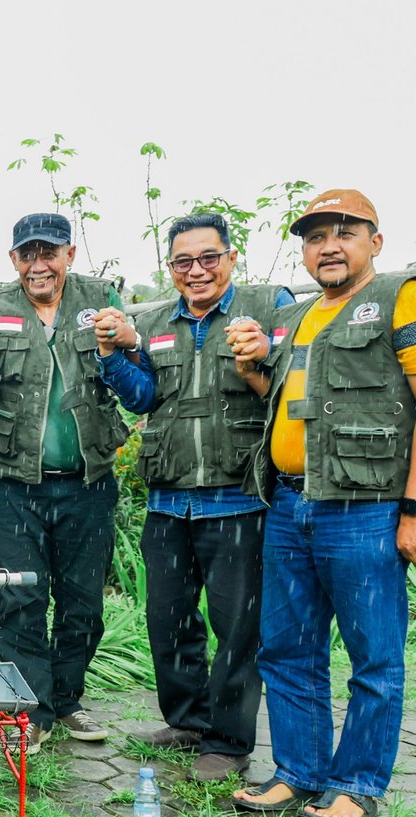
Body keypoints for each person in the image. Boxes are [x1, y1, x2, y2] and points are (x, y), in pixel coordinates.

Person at [233, 190, 416, 817]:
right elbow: (292, 400)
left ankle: (357, 782)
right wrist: (252, 371)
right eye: (317, 236)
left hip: (366, 510)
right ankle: (298, 773)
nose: (329, 246)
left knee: (374, 656)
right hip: (291, 504)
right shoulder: (296, 319)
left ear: (375, 241)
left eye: (345, 233)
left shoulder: (405, 295)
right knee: (288, 649)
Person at [107, 213, 294, 782]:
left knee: (238, 627)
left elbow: (296, 382)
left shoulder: (270, 305)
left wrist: (264, 354)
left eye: (209, 257)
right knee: (167, 618)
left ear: (231, 258)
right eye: (184, 261)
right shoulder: (157, 321)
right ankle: (186, 720)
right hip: (168, 500)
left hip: (238, 498)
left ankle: (229, 740)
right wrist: (114, 356)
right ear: (170, 268)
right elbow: (144, 399)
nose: (197, 271)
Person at [0, 213, 149, 755]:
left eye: (49, 252)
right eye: (27, 254)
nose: (38, 264)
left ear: (70, 254)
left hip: (88, 480)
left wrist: (131, 343)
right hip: (11, 482)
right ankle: (31, 708)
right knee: (21, 597)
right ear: (13, 259)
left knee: (83, 601)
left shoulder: (101, 300)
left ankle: (67, 699)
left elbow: (133, 376)